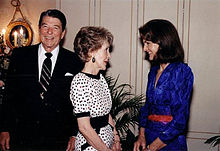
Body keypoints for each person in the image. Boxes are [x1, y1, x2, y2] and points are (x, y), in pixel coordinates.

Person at [0, 9, 84, 151]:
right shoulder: (20, 56)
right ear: (39, 29)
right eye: (45, 26)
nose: (49, 32)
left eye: (55, 28)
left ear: (63, 33)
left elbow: (79, 103)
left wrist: (75, 134)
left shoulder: (75, 61)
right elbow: (9, 96)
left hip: (59, 139)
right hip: (22, 137)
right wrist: (4, 129)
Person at [133, 19, 194, 151]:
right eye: (144, 44)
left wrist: (152, 148)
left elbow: (180, 120)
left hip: (170, 143)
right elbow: (147, 107)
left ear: (163, 43)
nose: (144, 49)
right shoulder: (153, 71)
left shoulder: (181, 72)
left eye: (148, 43)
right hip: (149, 138)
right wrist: (141, 135)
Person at [70, 26, 122, 151]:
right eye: (106, 50)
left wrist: (116, 138)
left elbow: (106, 113)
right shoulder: (80, 82)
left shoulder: (100, 78)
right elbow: (84, 127)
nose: (109, 56)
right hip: (91, 147)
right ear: (91, 51)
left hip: (106, 144)